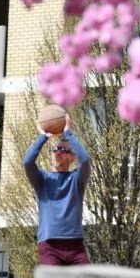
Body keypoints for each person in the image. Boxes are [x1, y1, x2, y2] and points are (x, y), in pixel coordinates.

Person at [23, 112, 92, 266]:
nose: (59, 152)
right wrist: (43, 137)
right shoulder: (42, 180)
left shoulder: (76, 179)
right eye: (55, 150)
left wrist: (67, 134)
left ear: (72, 158)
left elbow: (86, 160)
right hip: (49, 246)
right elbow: (28, 162)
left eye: (65, 150)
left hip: (75, 246)